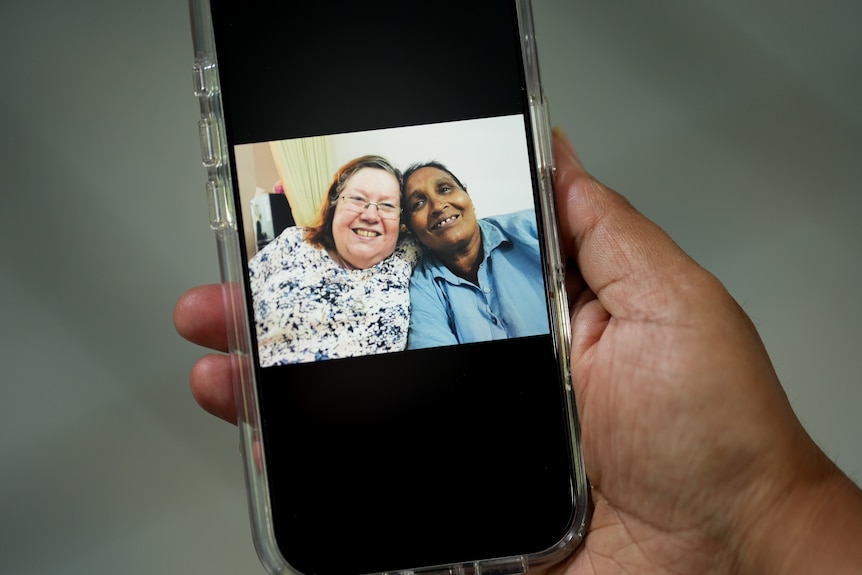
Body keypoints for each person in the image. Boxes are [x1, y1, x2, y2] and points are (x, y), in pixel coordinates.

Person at [174, 130, 862, 573]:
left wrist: (761, 503)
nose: (433, 204)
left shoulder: (533, 236)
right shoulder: (413, 286)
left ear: (469, 197)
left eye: (442, 189)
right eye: (414, 202)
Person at [248, 155, 419, 366]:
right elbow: (234, 313)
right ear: (334, 204)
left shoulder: (406, 255)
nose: (371, 215)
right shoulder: (293, 242)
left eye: (386, 205)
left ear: (401, 219)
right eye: (358, 199)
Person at [400, 161, 548, 349]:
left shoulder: (534, 228)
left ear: (468, 197)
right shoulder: (423, 288)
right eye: (418, 203)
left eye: (445, 189)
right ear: (410, 229)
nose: (437, 206)